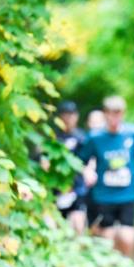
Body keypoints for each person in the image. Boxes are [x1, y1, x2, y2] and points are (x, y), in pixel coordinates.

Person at [80, 95, 134, 257]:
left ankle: (124, 266)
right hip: (104, 195)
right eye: (111, 113)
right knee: (107, 237)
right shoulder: (95, 137)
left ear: (123, 113)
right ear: (105, 114)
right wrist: (87, 171)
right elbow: (81, 160)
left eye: (118, 113)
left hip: (127, 193)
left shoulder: (133, 133)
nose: (115, 117)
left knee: (127, 237)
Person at [51, 101, 88, 235]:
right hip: (56, 187)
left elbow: (89, 159)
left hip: (77, 187)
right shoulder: (53, 138)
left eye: (71, 115)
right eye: (65, 115)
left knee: (78, 225)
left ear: (76, 117)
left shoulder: (83, 138)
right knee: (56, 226)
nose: (68, 119)